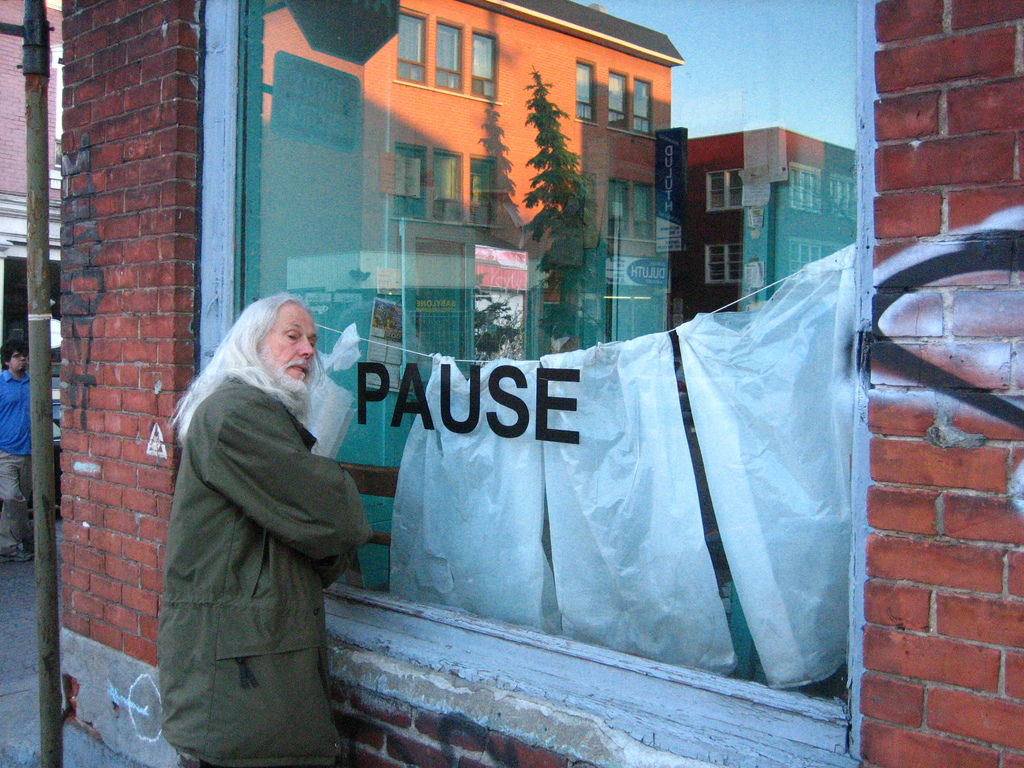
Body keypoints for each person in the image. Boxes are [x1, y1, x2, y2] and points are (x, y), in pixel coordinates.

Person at [158, 293, 372, 768]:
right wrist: (332, 513)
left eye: (313, 341)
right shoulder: (236, 414)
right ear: (252, 343)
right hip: (240, 679)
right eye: (292, 336)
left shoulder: (249, 411)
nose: (309, 351)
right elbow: (335, 513)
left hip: (243, 674)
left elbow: (313, 524)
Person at [0, 339, 33, 563]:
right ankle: (27, 539)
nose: (22, 359)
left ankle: (8, 547)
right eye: (16, 356)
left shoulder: (34, 382)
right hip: (5, 451)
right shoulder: (1, 384)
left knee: (19, 503)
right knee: (12, 498)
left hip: (30, 452)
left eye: (24, 355)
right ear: (6, 361)